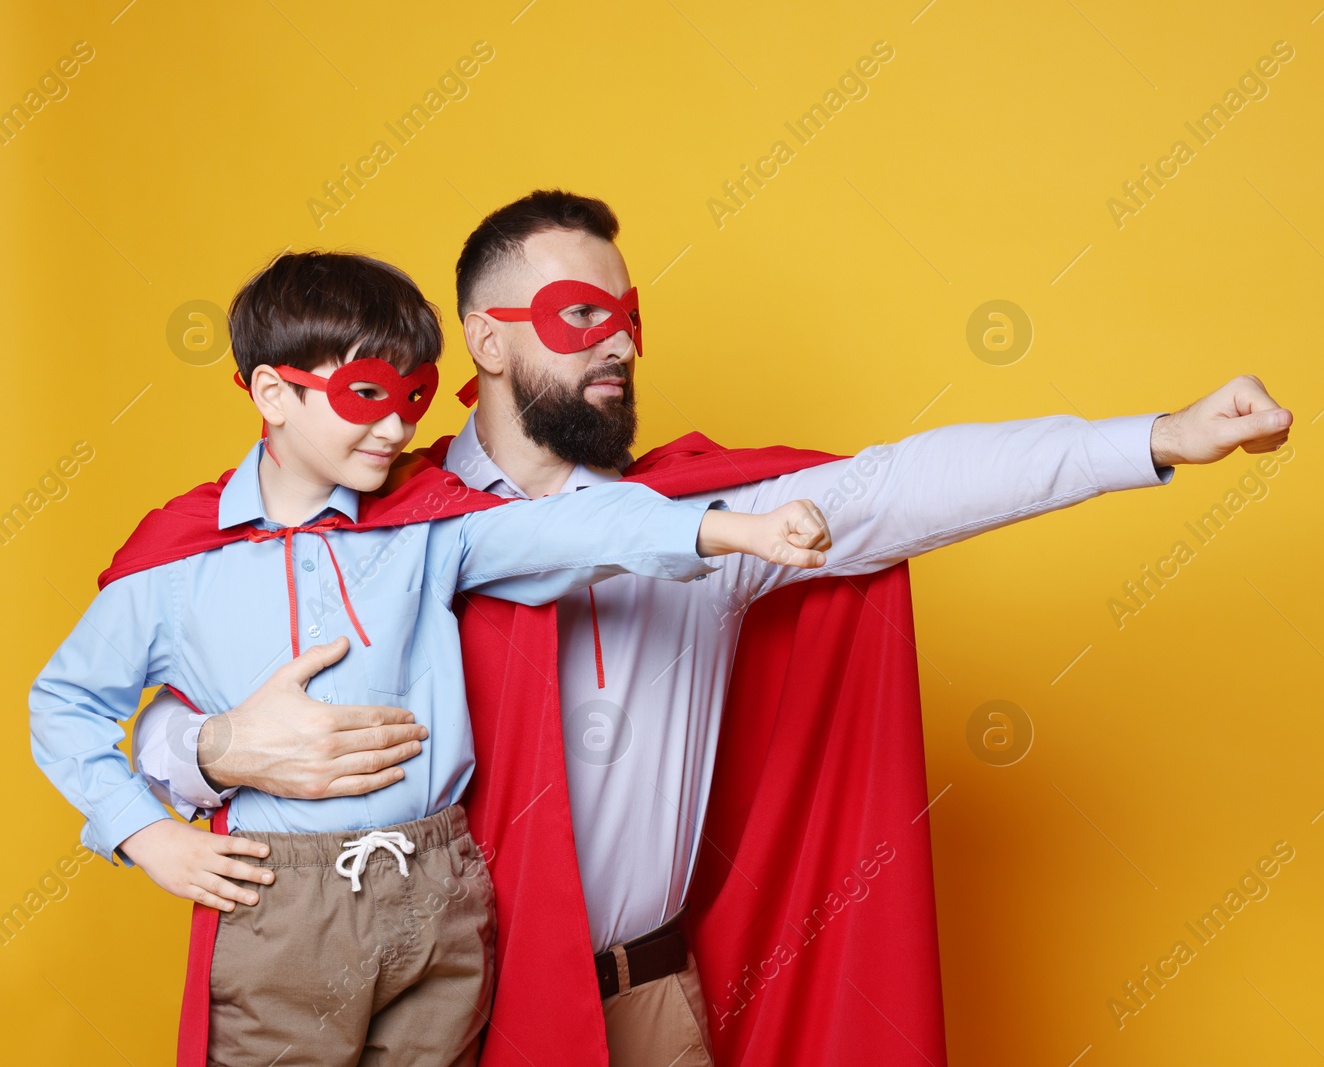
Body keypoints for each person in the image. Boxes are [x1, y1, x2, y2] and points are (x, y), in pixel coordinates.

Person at [136, 191, 1294, 1067]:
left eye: (628, 316)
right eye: (578, 315)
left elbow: (905, 482)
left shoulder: (708, 525)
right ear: (486, 341)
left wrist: (1152, 437)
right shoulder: (381, 532)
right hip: (447, 1011)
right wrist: (216, 750)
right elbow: (154, 708)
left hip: (647, 1002)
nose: (620, 342)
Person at [29, 250, 831, 1066]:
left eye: (414, 397)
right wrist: (145, 835)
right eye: (367, 396)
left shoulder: (429, 526)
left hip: (439, 889)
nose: (398, 428)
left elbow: (574, 526)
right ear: (273, 391)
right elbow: (64, 704)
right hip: (287, 906)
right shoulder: (175, 564)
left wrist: (736, 530)